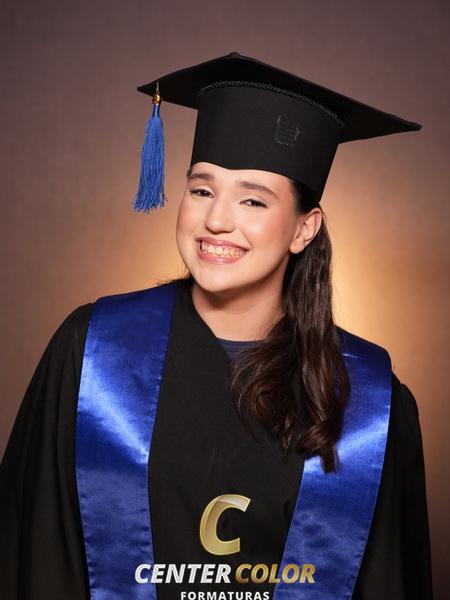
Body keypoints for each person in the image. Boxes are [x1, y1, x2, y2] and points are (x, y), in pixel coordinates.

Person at [0, 52, 433, 600]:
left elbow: (387, 579)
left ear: (304, 229)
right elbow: (34, 548)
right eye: (202, 190)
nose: (217, 220)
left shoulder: (368, 401)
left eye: (253, 199)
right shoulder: (93, 353)